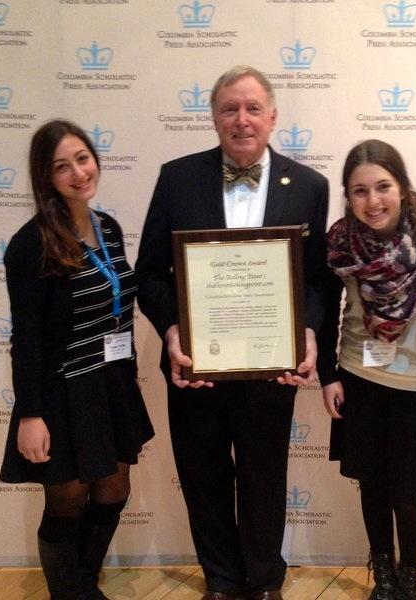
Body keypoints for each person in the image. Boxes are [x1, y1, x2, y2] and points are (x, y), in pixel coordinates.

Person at [135, 65, 329, 600]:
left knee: (266, 478)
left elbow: (316, 281)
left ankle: (265, 582)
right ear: (214, 116)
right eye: (229, 109)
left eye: (252, 109)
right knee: (203, 476)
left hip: (273, 365)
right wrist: (173, 330)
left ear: (272, 118)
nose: (241, 120)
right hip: (198, 363)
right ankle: (221, 581)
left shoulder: (310, 185)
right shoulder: (178, 176)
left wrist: (308, 332)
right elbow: (150, 272)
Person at [0, 119, 154, 600]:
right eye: (61, 166)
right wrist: (30, 413)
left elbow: (119, 308)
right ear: (46, 177)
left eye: (82, 159)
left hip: (110, 383)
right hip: (61, 391)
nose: (77, 172)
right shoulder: (32, 243)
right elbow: (25, 337)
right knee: (67, 499)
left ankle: (82, 584)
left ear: (95, 160)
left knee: (113, 490)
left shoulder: (107, 227)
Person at [316, 139, 416, 600]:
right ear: (348, 196)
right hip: (361, 378)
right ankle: (383, 572)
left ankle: (410, 575)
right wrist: (327, 373)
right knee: (371, 486)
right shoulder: (340, 242)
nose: (372, 201)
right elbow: (323, 309)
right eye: (359, 191)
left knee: (410, 496)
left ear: (401, 185)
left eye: (383, 187)